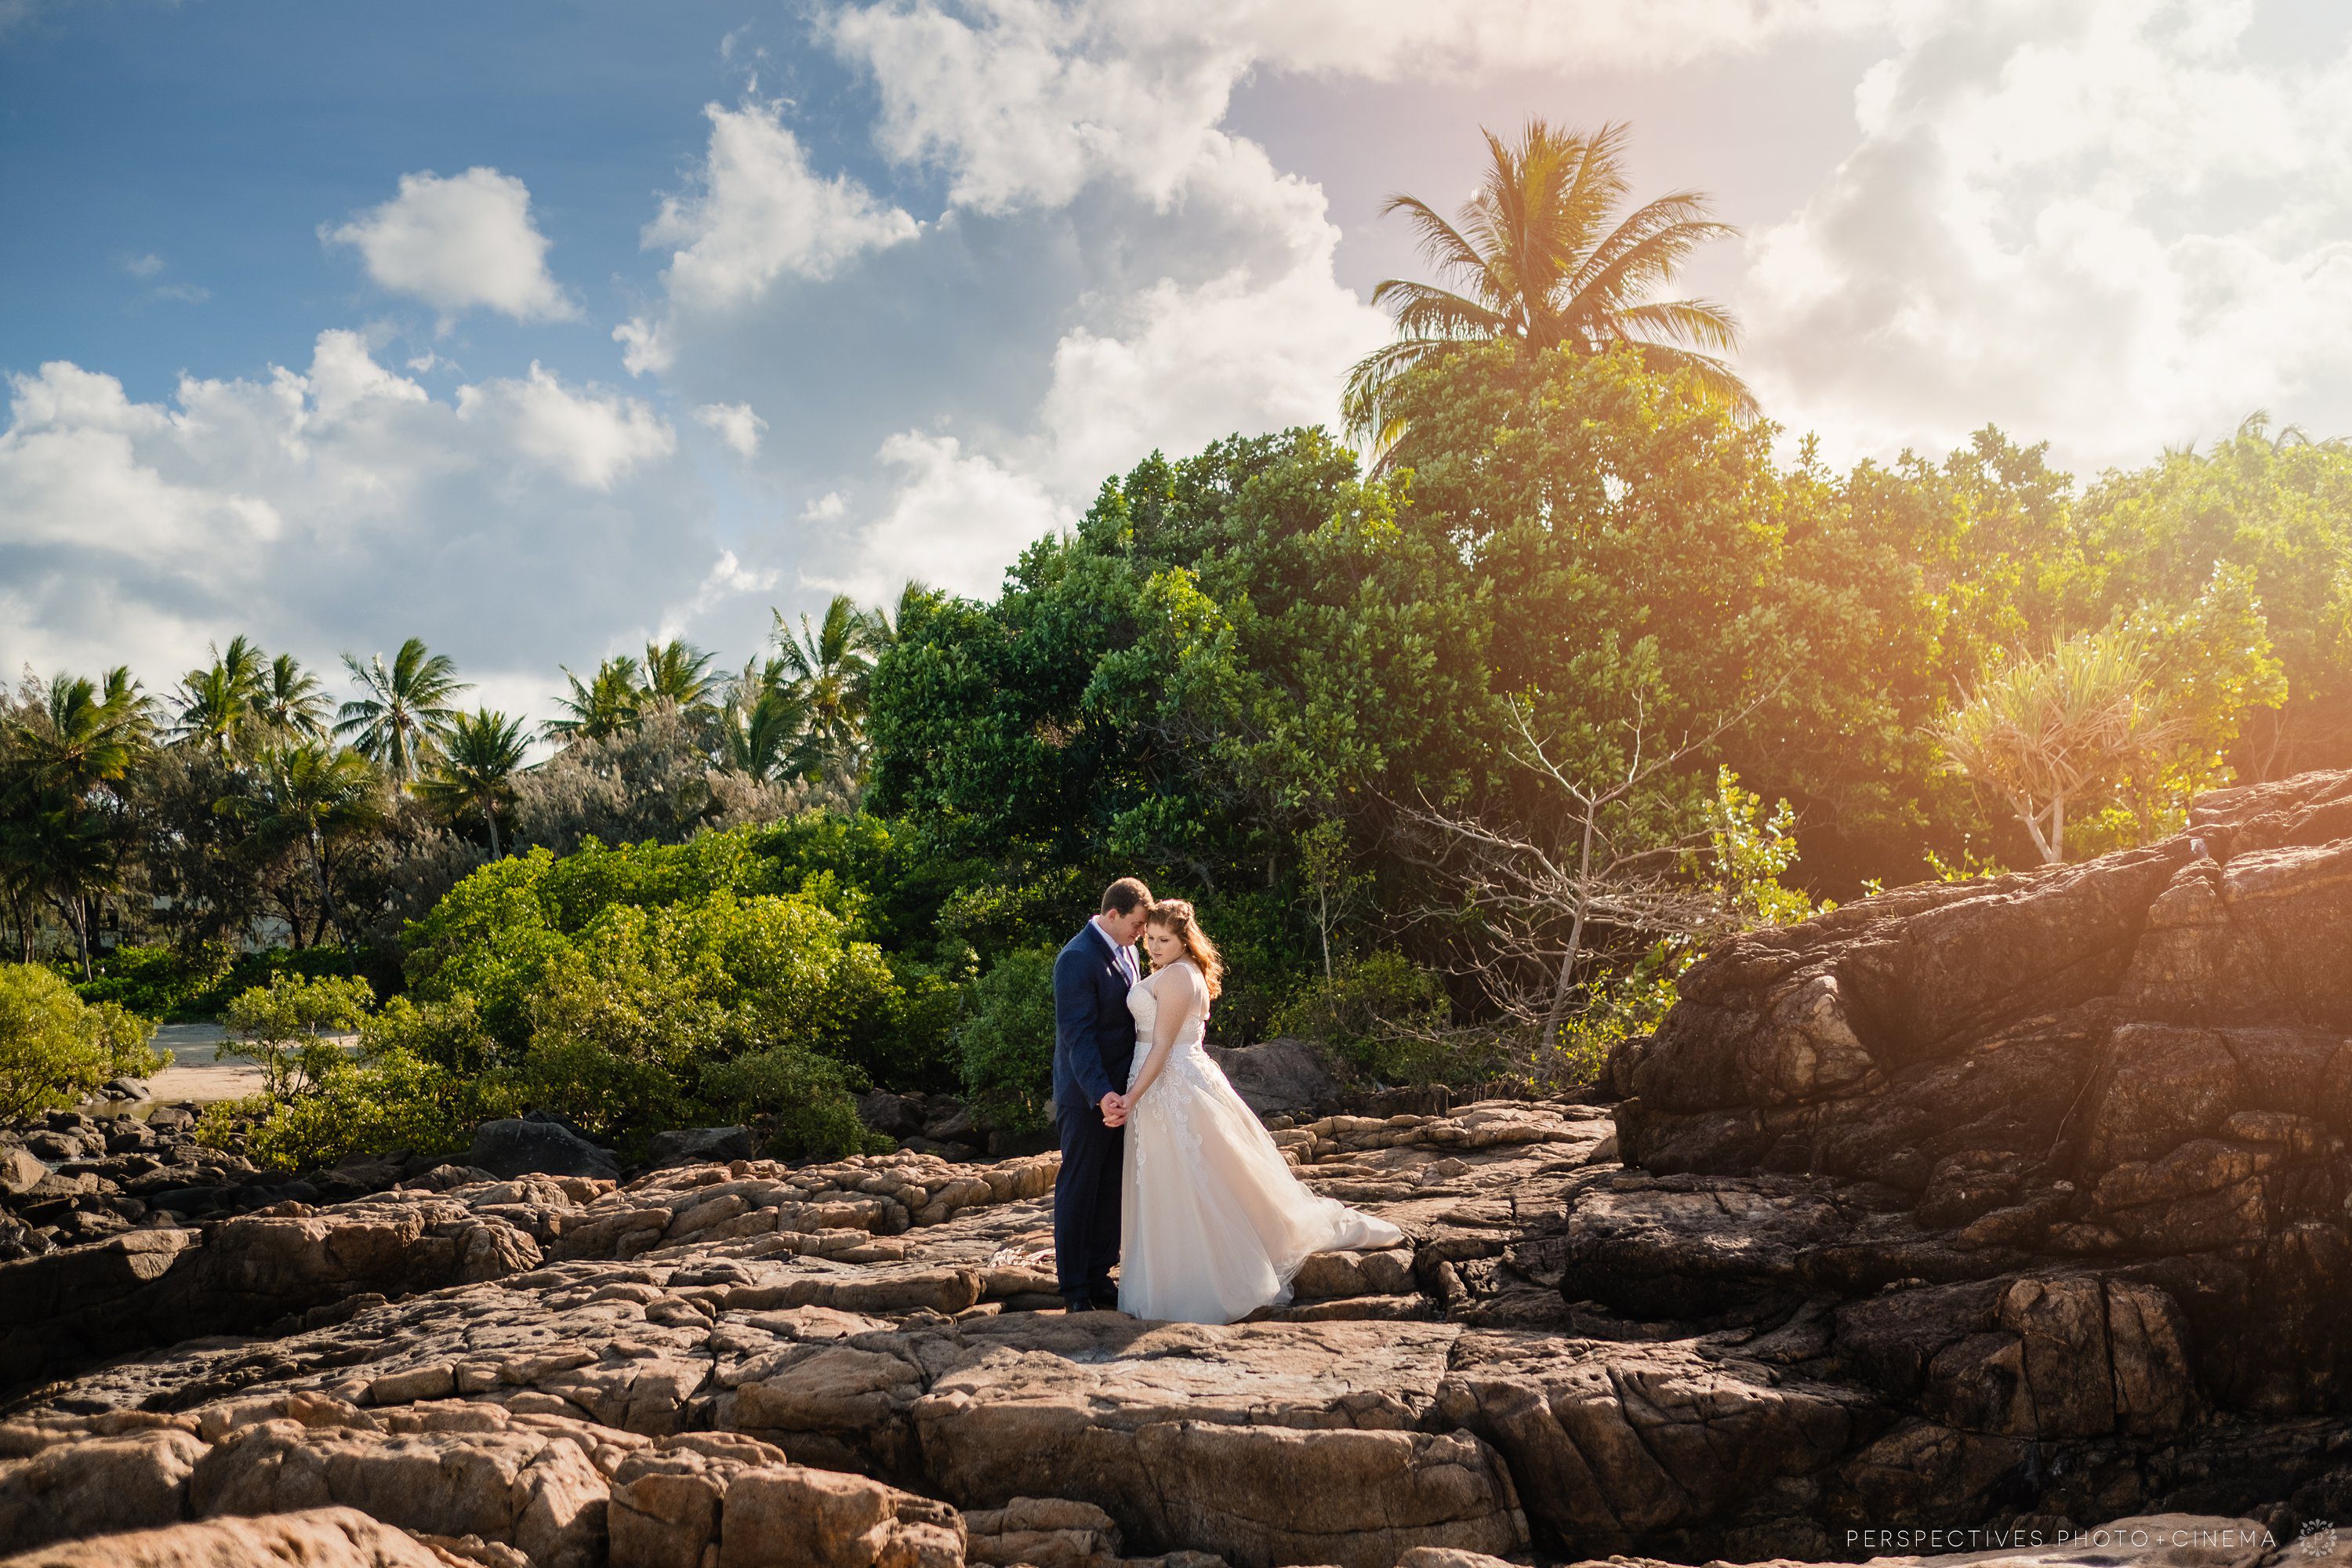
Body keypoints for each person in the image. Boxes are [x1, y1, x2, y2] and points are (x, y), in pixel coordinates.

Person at [1113, 898, 1404, 1323]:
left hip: (1168, 1086)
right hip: (1166, 1087)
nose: (1153, 947)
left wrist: (1132, 1096)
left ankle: (1203, 1283)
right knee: (1185, 1180)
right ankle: (1176, 1276)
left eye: (1164, 940)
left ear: (1184, 940)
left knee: (1190, 1181)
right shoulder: (1173, 971)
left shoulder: (1177, 978)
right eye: (1151, 939)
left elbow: (1161, 1046)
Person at [1049, 876, 1154, 1312]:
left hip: (1124, 1094)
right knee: (1080, 1188)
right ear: (1113, 915)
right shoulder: (1075, 958)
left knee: (1112, 1187)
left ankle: (1099, 1275)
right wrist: (1101, 1094)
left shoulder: (1127, 949)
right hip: (1086, 1094)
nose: (1141, 934)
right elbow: (1079, 1037)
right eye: (1136, 924)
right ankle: (1074, 1288)